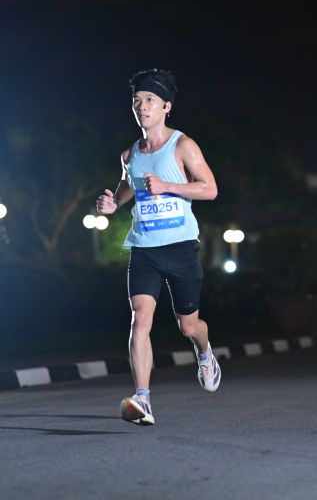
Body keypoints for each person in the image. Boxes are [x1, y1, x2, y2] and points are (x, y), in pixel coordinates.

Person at [96, 68, 221, 426]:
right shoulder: (130, 155)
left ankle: (204, 352)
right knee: (140, 321)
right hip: (144, 249)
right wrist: (113, 204)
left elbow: (210, 189)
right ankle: (143, 398)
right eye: (137, 100)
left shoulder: (183, 145)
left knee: (188, 326)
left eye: (150, 100)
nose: (142, 106)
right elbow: (128, 186)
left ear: (166, 106)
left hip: (180, 248)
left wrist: (168, 186)